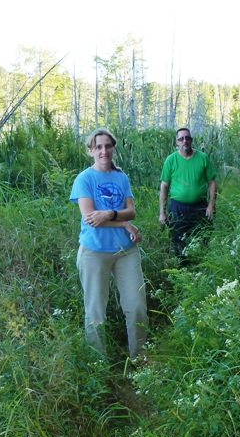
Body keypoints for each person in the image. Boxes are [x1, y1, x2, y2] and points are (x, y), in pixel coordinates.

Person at [70, 128, 148, 360]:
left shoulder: (121, 177)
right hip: (94, 252)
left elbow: (131, 211)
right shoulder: (84, 179)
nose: (104, 151)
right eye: (99, 147)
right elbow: (91, 218)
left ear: (114, 148)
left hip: (126, 251)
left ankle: (140, 357)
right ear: (91, 150)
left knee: (136, 306)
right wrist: (123, 224)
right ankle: (98, 365)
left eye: (108, 146)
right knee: (95, 312)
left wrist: (111, 215)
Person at [159, 127, 217, 265]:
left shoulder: (203, 158)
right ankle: (183, 269)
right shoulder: (171, 160)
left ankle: (203, 266)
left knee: (204, 238)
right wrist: (162, 212)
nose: (184, 141)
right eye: (181, 139)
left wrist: (211, 205)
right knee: (178, 240)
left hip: (200, 207)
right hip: (178, 207)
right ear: (177, 142)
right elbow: (164, 186)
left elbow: (212, 182)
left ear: (191, 140)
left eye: (187, 138)